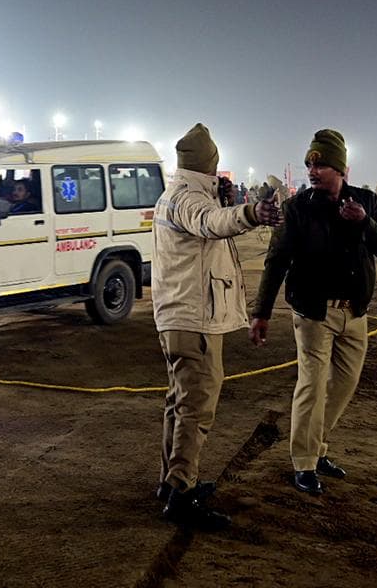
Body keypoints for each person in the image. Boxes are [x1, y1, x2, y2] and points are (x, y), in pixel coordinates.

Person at [250, 129, 377, 496]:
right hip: (314, 313)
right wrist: (261, 312)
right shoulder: (297, 208)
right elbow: (276, 261)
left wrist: (364, 222)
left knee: (344, 385)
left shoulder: (365, 201)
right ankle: (303, 462)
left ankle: (317, 449)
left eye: (322, 165)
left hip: (356, 312)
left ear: (342, 168)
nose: (313, 171)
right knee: (312, 386)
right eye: (309, 165)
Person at [153, 123, 283, 531]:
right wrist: (250, 213)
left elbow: (209, 222)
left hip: (179, 316)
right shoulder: (188, 199)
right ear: (210, 163)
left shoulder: (176, 194)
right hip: (193, 319)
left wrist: (227, 202)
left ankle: (172, 482)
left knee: (179, 404)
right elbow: (211, 222)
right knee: (197, 409)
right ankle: (182, 496)